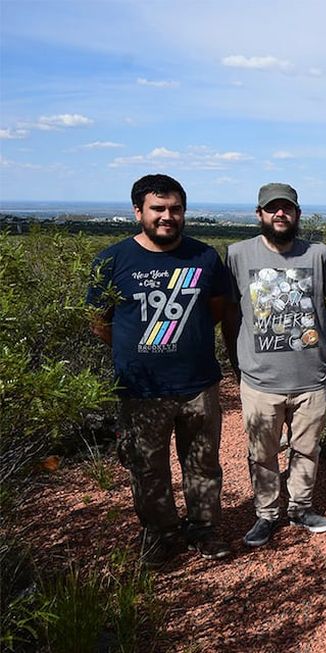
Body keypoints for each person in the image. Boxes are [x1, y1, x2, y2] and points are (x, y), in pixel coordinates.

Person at [86, 173, 232, 566]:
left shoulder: (204, 257)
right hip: (141, 388)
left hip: (198, 383)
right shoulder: (112, 260)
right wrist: (135, 351)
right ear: (139, 211)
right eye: (158, 209)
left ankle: (203, 530)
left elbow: (216, 311)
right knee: (147, 468)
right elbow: (99, 322)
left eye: (175, 209)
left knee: (202, 463)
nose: (167, 216)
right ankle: (161, 534)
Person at [222, 182, 326, 548]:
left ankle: (301, 507)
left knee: (307, 448)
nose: (280, 214)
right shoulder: (237, 254)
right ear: (259, 214)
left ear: (297, 213)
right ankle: (265, 514)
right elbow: (229, 314)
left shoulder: (318, 254)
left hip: (311, 377)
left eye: (287, 208)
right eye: (272, 208)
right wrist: (237, 360)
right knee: (261, 452)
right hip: (261, 380)